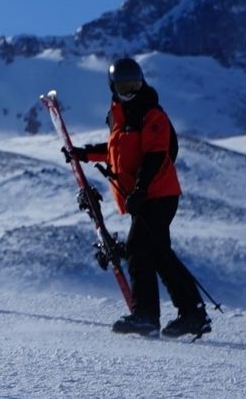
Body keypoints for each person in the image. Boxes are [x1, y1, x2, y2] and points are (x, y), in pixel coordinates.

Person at [65, 57, 211, 339]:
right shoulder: (119, 117)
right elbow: (116, 153)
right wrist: (83, 154)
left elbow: (155, 156)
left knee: (137, 250)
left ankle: (145, 316)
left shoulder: (151, 114)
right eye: (123, 86)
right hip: (143, 197)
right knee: (158, 254)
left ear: (142, 82)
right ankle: (192, 314)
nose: (130, 91)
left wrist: (140, 191)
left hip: (158, 195)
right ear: (113, 87)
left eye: (134, 84)